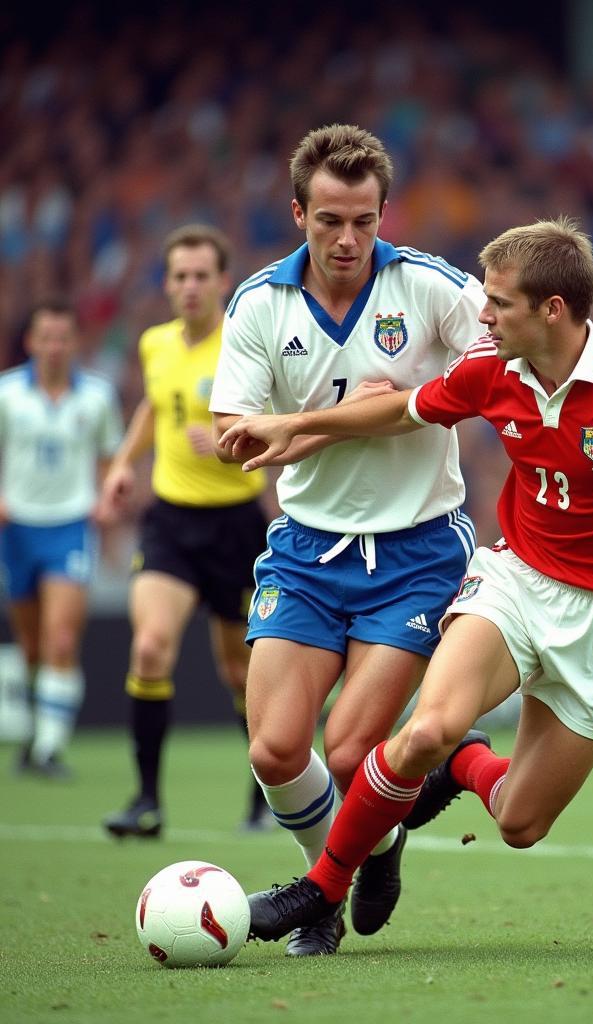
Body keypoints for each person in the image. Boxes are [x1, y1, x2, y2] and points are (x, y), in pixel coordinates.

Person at [219, 217, 593, 942]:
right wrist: (291, 429)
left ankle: (466, 764)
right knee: (423, 729)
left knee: (520, 823)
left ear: (551, 311)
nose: (482, 315)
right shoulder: (493, 369)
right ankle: (320, 891)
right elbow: (404, 409)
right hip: (515, 583)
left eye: (498, 304)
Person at [208, 123, 484, 956]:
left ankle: (318, 897)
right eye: (329, 219)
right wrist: (355, 420)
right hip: (307, 549)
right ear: (298, 212)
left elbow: (493, 378)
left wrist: (362, 410)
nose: (347, 238)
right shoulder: (260, 302)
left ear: (382, 212)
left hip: (417, 551)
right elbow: (236, 436)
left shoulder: (431, 286)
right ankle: (377, 844)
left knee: (351, 748)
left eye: (363, 220)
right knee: (275, 747)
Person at [98, 225, 271, 839]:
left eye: (202, 275)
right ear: (167, 284)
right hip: (171, 521)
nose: (190, 286)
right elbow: (153, 405)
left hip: (236, 528)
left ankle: (265, 800)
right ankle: (147, 801)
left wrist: (227, 443)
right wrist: (123, 463)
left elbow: (275, 431)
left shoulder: (245, 347)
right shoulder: (155, 345)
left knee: (240, 671)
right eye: (180, 276)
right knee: (149, 648)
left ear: (224, 282)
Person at [0, 299, 123, 778]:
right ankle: (36, 736)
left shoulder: (95, 397)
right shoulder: (8, 394)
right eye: (45, 337)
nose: (54, 346)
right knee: (31, 647)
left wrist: (107, 500)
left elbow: (112, 456)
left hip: (70, 526)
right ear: (31, 342)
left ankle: (49, 749)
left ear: (75, 342)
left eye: (62, 337)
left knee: (62, 637)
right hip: (18, 529)